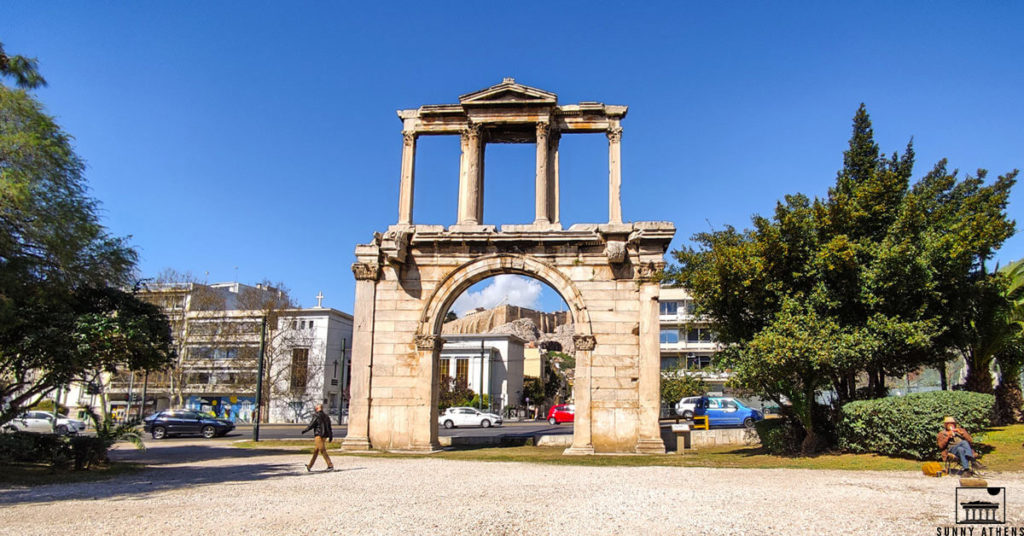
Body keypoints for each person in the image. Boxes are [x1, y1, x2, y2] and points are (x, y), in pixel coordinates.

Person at [301, 403, 334, 472]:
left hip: (318, 435)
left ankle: (330, 465)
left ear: (317, 409)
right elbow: (329, 427)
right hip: (324, 435)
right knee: (316, 451)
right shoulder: (326, 416)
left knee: (322, 450)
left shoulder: (316, 415)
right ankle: (309, 466)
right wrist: (330, 435)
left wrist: (305, 430)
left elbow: (311, 425)